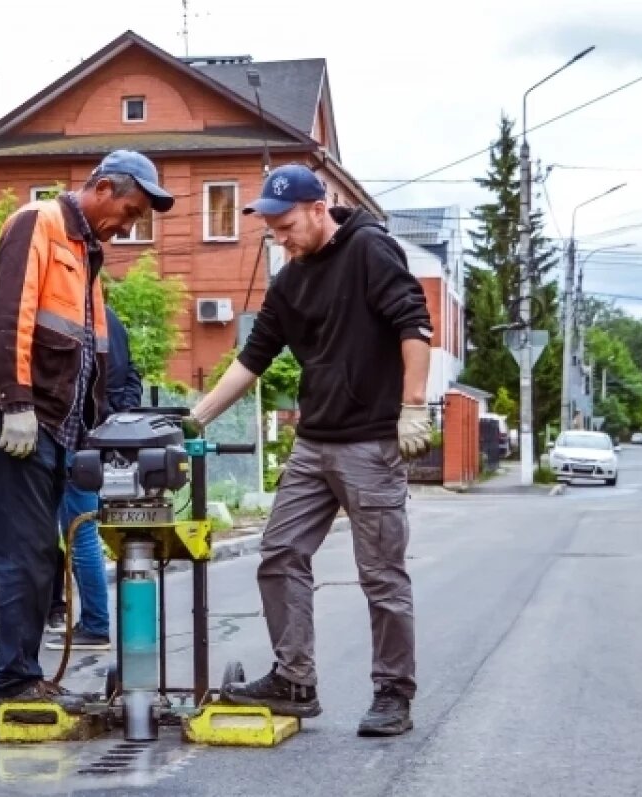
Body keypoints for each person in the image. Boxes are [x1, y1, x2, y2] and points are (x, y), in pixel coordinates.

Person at [189, 164, 433, 738]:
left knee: (380, 574)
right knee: (279, 553)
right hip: (314, 443)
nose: (280, 237)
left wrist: (414, 405)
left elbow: (415, 326)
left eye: (286, 224)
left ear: (319, 209)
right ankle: (294, 680)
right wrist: (193, 416)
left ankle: (393, 692)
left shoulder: (371, 249)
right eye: (271, 228)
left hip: (371, 443)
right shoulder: (290, 282)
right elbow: (252, 359)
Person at [0, 150, 174, 717]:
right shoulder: (39, 223)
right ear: (103, 187)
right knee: (24, 553)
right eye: (129, 210)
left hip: (56, 424)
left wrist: (97, 436)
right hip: (21, 420)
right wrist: (15, 403)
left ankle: (24, 675)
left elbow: (92, 355)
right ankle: (12, 682)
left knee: (41, 554)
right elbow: (7, 316)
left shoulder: (86, 254)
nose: (129, 225)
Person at [46, 304, 143, 652]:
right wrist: (116, 419)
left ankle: (95, 623)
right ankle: (92, 619)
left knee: (79, 530)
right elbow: (131, 375)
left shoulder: (77, 318)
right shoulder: (112, 320)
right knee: (88, 527)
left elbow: (76, 381)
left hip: (79, 436)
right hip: (107, 437)